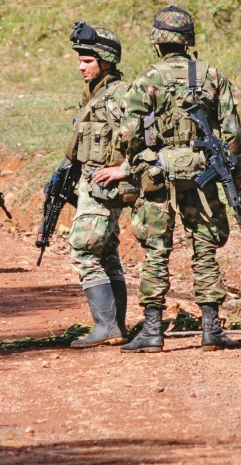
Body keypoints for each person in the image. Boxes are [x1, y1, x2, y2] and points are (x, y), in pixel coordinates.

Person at [119, 5, 241, 353]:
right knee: (204, 247)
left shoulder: (148, 79)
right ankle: (211, 329)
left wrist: (141, 162)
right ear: (188, 40)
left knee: (157, 249)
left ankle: (153, 331)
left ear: (157, 41)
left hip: (159, 174)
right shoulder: (212, 76)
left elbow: (128, 132)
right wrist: (235, 178)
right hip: (202, 176)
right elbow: (233, 133)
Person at [63, 22, 135, 348]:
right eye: (79, 59)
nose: (80, 65)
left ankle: (106, 326)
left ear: (105, 61)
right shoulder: (95, 94)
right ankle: (115, 327)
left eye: (87, 60)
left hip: (104, 187)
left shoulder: (120, 95)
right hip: (92, 184)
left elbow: (152, 138)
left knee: (82, 248)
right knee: (106, 254)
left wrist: (125, 168)